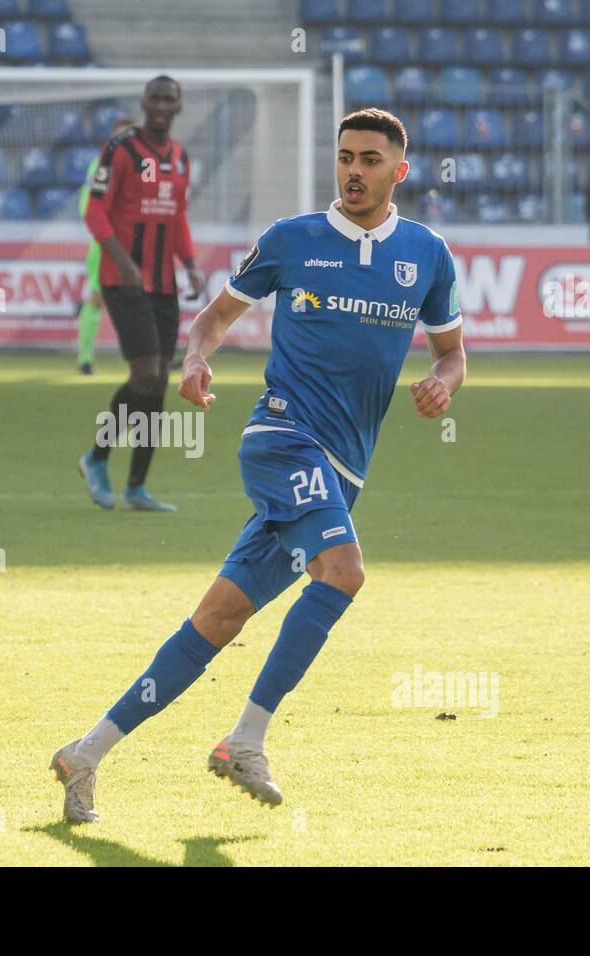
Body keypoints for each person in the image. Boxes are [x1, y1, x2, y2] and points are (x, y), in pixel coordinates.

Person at [50, 108, 467, 823]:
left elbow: (452, 351)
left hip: (344, 469)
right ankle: (246, 741)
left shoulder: (427, 255)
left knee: (219, 618)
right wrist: (197, 361)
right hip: (281, 438)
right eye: (344, 157)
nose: (354, 171)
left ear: (399, 171)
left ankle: (84, 753)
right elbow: (213, 317)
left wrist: (443, 383)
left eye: (370, 160)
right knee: (344, 571)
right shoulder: (293, 240)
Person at [77, 75, 205, 513]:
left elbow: (177, 219)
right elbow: (95, 211)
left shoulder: (182, 159)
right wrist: (122, 260)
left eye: (170, 99)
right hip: (123, 278)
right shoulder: (121, 149)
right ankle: (95, 457)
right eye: (155, 98)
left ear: (179, 106)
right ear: (145, 102)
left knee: (160, 383)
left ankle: (136, 488)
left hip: (163, 283)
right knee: (146, 373)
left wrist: (189, 264)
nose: (162, 105)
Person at [75, 115, 136, 375]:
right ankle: (85, 358)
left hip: (136, 245)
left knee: (146, 300)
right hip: (106, 245)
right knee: (98, 299)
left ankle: (151, 358)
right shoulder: (100, 166)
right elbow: (87, 206)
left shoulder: (145, 168)